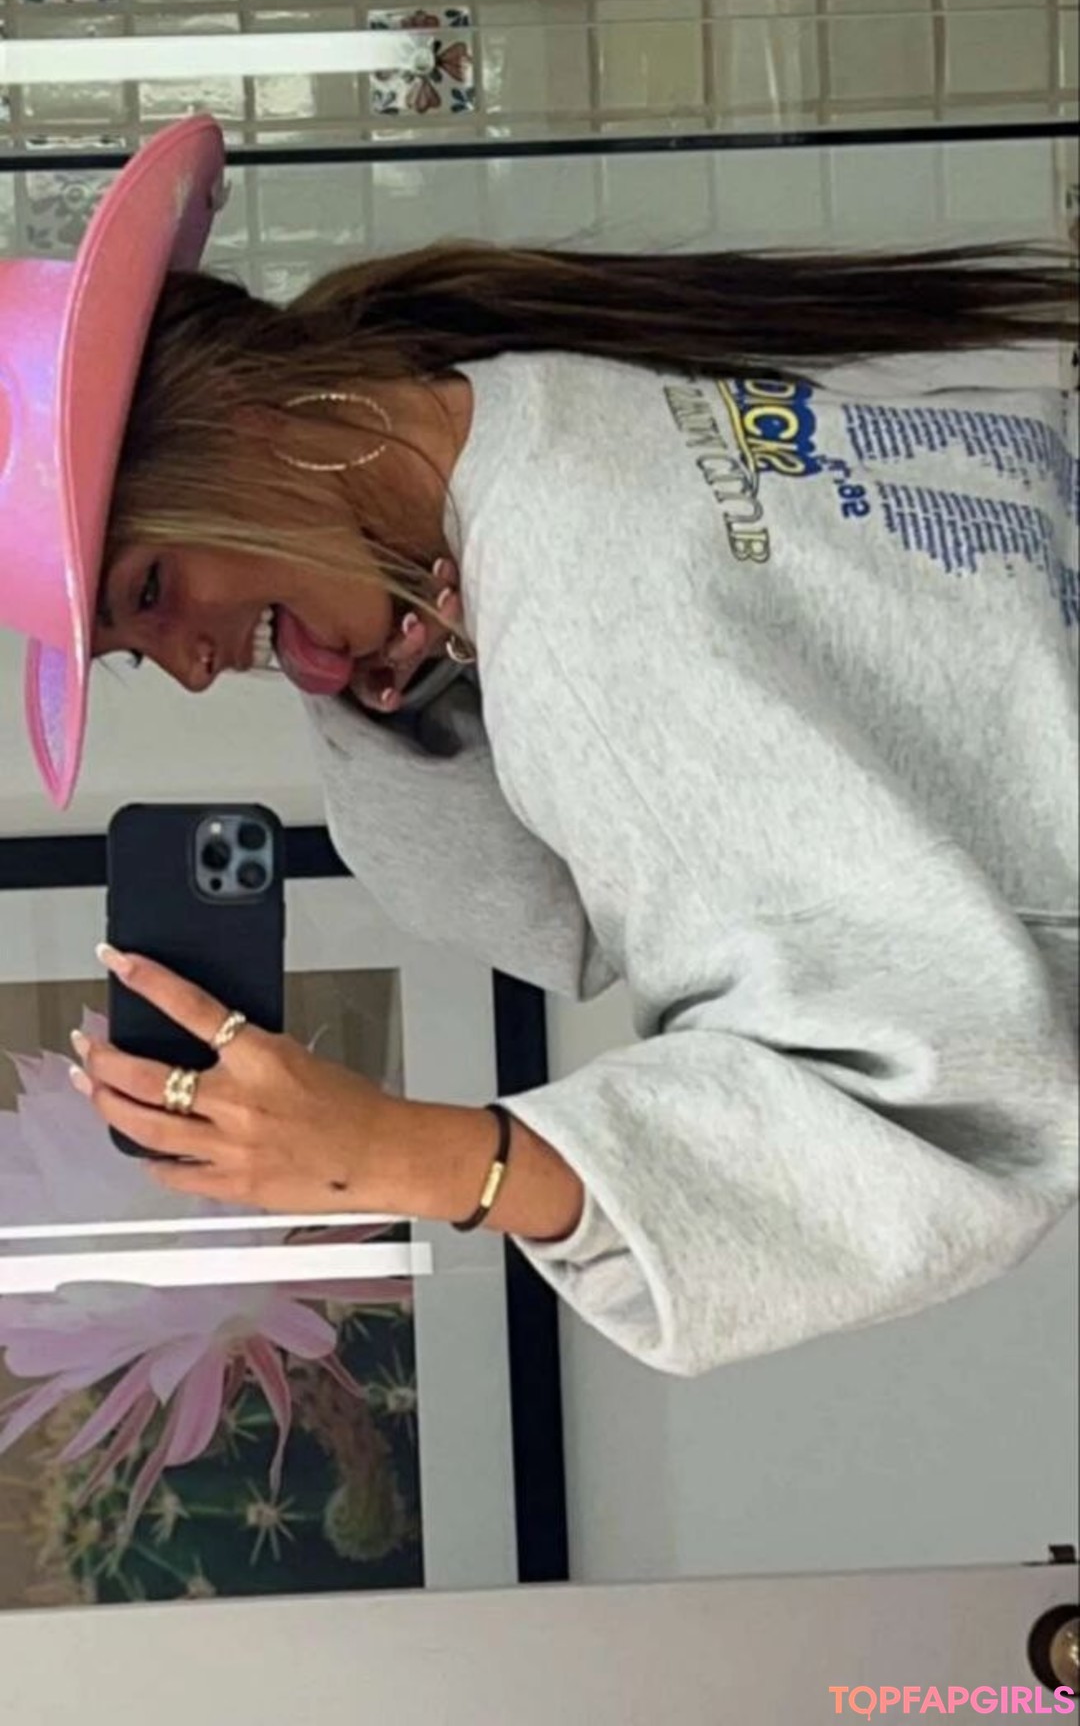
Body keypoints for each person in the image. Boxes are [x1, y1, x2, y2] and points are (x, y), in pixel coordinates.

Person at [1, 114, 1077, 1378]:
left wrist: (401, 1153)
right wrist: (387, 692)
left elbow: (935, 1094)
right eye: (139, 649)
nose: (192, 666)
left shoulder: (578, 621)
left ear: (243, 419)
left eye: (151, 590)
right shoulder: (528, 382)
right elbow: (555, 916)